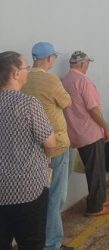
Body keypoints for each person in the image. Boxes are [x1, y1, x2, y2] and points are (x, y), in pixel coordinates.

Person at [0, 51, 56, 250]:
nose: (27, 71)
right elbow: (50, 143)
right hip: (28, 190)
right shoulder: (28, 103)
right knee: (31, 243)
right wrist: (46, 158)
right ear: (15, 73)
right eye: (25, 68)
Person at [21, 42, 74, 250]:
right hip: (56, 145)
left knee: (38, 197)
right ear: (49, 58)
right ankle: (52, 244)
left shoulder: (23, 79)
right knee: (55, 198)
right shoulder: (50, 80)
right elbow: (67, 102)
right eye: (54, 57)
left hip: (32, 147)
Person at [62, 51, 109, 216]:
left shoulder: (64, 81)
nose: (88, 66)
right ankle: (95, 207)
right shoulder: (83, 81)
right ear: (82, 64)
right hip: (90, 132)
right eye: (87, 63)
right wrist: (105, 127)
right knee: (96, 170)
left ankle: (101, 200)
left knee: (93, 168)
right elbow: (93, 109)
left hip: (75, 133)